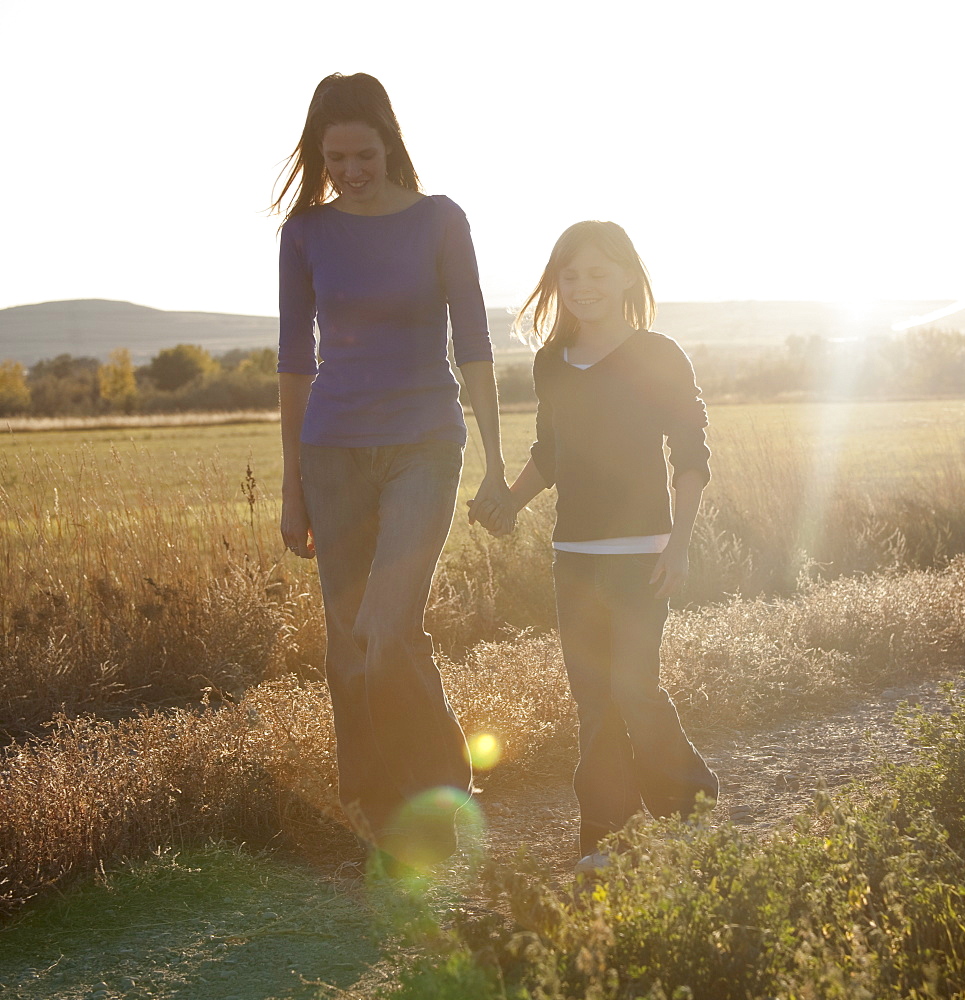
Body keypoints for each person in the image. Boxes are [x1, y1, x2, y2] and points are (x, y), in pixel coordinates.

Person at [272, 72, 512, 872]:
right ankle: (380, 810)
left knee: (383, 626)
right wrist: (290, 481)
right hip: (331, 451)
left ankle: (439, 797)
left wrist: (496, 459)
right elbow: (293, 362)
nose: (349, 169)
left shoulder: (441, 222)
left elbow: (474, 339)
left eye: (363, 153)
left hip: (423, 444)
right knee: (353, 643)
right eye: (333, 156)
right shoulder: (305, 235)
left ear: (389, 143)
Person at [471, 221, 719, 874]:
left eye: (598, 274)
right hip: (575, 559)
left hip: (644, 556)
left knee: (635, 688)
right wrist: (507, 503)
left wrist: (680, 545)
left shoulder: (660, 355)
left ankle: (691, 805)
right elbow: (549, 453)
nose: (582, 287)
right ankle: (606, 840)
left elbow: (691, 453)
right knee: (595, 700)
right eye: (570, 276)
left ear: (629, 278)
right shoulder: (552, 361)